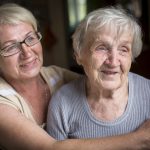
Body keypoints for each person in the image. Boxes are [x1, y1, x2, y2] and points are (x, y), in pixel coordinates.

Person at [0, 3, 150, 150]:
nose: (27, 53)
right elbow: (51, 147)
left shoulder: (56, 75)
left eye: (30, 38)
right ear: (78, 55)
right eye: (10, 47)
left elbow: (94, 79)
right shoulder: (5, 104)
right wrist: (139, 139)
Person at [47, 6, 150, 148]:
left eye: (123, 49)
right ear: (79, 55)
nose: (113, 61)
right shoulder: (62, 104)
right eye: (101, 47)